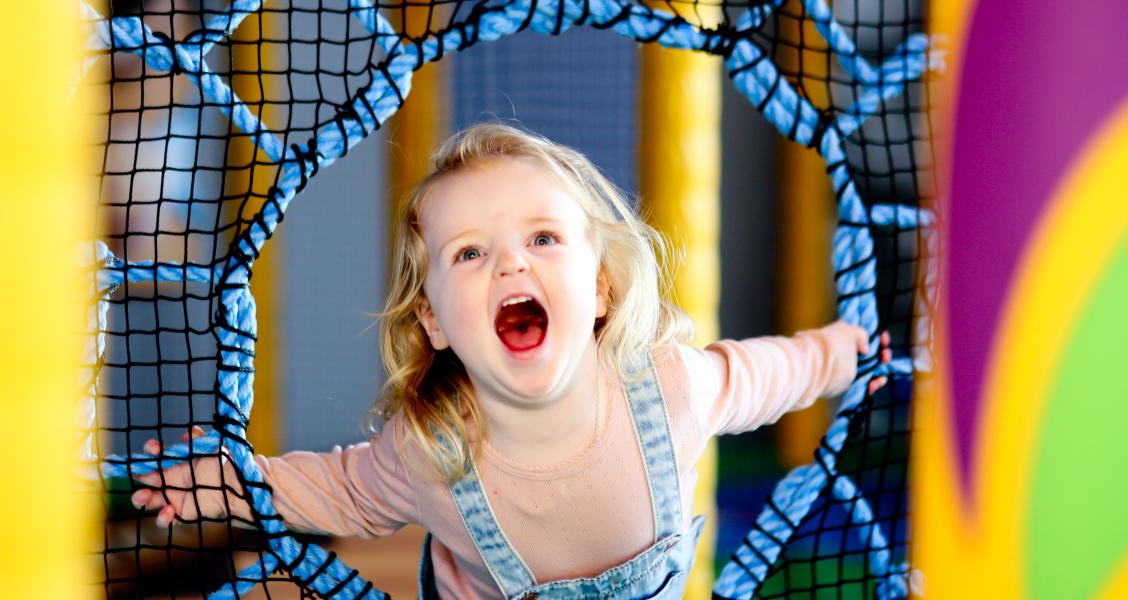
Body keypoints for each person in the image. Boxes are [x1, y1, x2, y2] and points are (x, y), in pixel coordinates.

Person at [131, 123, 891, 599]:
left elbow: (766, 373)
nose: (509, 267)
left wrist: (844, 353)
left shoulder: (667, 388)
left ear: (599, 288)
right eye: (469, 253)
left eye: (543, 239)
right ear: (432, 321)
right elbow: (340, 492)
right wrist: (225, 487)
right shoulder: (432, 448)